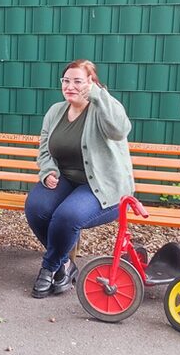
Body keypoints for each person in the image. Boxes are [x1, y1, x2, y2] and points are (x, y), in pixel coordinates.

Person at [24, 59, 135, 298]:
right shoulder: (56, 111)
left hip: (103, 186)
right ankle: (64, 264)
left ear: (91, 83)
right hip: (66, 179)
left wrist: (98, 94)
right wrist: (48, 170)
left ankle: (49, 268)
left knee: (66, 217)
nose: (70, 86)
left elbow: (119, 129)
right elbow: (44, 148)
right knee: (36, 208)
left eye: (78, 81)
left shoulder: (102, 108)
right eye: (66, 81)